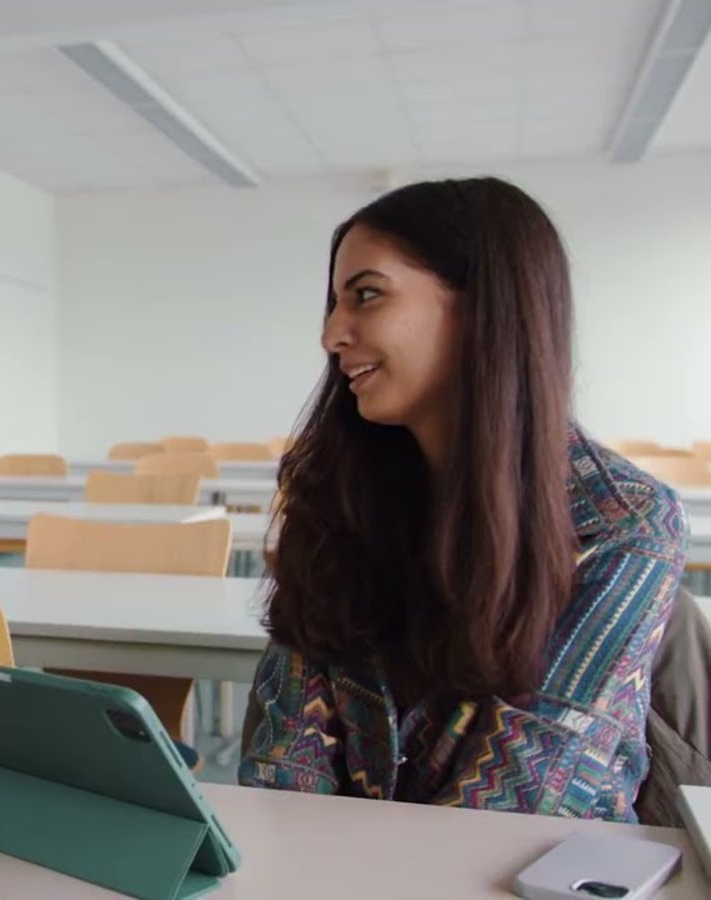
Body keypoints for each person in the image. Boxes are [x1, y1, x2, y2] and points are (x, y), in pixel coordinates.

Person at [240, 177, 688, 821]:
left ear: (484, 307)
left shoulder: (623, 523)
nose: (333, 332)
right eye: (334, 303)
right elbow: (285, 756)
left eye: (366, 296)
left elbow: (519, 800)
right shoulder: (337, 492)